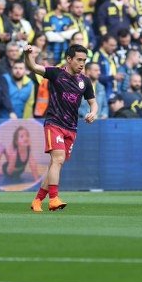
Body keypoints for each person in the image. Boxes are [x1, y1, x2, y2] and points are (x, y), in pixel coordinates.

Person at [24, 43, 96, 212]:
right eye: (79, 60)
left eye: (84, 60)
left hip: (71, 128)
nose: (82, 64)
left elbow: (93, 102)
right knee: (58, 159)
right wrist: (27, 55)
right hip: (54, 123)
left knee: (55, 164)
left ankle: (37, 201)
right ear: (69, 59)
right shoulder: (56, 73)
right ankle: (54, 199)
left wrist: (93, 113)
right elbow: (33, 67)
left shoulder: (85, 81)